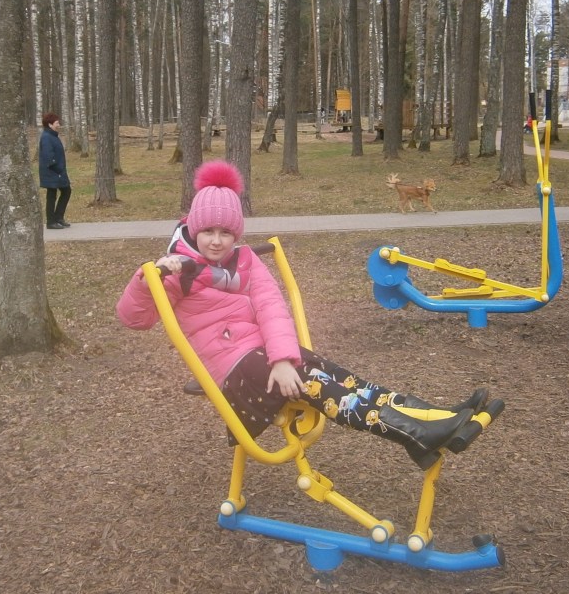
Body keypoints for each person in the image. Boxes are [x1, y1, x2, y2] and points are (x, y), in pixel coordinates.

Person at [116, 160, 502, 470]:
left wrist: (283, 358)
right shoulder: (177, 270)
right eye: (208, 232)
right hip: (234, 369)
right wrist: (147, 277)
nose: (217, 241)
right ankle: (414, 435)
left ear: (237, 234)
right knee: (320, 385)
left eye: (226, 233)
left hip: (265, 352)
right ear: (194, 229)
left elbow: (271, 307)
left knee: (342, 377)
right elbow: (135, 318)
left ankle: (432, 417)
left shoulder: (244, 259)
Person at [38, 113, 71, 229]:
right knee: (52, 194)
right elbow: (48, 157)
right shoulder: (47, 137)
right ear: (50, 124)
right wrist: (58, 170)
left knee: (66, 191)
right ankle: (51, 222)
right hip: (52, 171)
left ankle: (58, 218)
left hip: (57, 171)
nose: (59, 124)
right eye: (57, 123)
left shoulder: (53, 136)